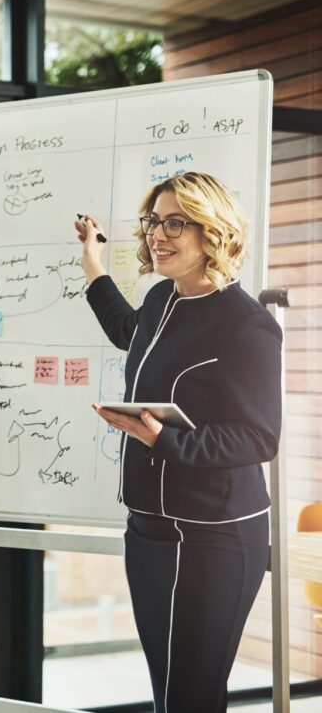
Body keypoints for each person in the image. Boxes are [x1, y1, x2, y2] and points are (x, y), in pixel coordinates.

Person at [76, 172, 281, 712]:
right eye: (152, 222)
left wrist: (164, 440)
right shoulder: (162, 298)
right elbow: (128, 329)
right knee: (169, 691)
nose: (156, 236)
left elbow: (259, 436)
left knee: (190, 696)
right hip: (148, 528)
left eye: (174, 223)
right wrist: (93, 264)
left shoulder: (247, 325)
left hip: (214, 537)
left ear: (212, 232)